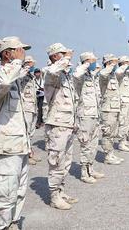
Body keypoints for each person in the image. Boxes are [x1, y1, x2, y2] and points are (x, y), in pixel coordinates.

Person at [0, 36, 31, 230]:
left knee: (19, 191)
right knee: (4, 195)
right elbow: (2, 83)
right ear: (7, 54)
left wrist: (27, 145)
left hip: (19, 146)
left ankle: (13, 224)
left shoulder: (15, 80)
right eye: (18, 50)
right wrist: (17, 62)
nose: (22, 54)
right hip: (7, 149)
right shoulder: (2, 77)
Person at [44, 43, 78, 210]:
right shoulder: (51, 73)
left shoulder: (65, 76)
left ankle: (61, 191)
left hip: (68, 124)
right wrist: (66, 59)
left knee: (65, 162)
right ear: (55, 56)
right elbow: (52, 71)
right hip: (57, 125)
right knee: (56, 162)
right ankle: (54, 196)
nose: (67, 56)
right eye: (62, 54)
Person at [74, 52, 105, 184]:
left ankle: (90, 169)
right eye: (92, 61)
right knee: (86, 144)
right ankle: (84, 173)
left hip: (95, 114)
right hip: (85, 116)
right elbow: (76, 75)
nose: (94, 63)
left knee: (93, 144)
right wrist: (86, 63)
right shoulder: (80, 76)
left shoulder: (92, 77)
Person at [99, 54, 124, 165]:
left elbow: (120, 73)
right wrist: (109, 65)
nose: (116, 64)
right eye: (113, 62)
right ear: (108, 63)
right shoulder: (104, 75)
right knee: (107, 133)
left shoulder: (113, 75)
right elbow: (103, 73)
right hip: (107, 110)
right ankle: (107, 156)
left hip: (115, 109)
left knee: (113, 133)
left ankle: (111, 153)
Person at [21, 56, 42, 165]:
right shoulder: (22, 75)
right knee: (26, 132)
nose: (33, 65)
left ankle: (29, 151)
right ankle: (27, 155)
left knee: (31, 132)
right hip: (26, 108)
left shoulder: (31, 77)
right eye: (31, 63)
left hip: (33, 107)